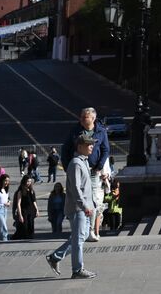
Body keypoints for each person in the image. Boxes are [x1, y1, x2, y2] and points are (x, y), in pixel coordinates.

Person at [46, 130, 99, 279]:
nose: (92, 147)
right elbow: (76, 188)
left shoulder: (83, 162)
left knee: (79, 238)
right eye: (89, 145)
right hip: (78, 209)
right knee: (78, 241)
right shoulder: (76, 164)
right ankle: (77, 270)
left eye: (92, 145)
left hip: (84, 208)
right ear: (80, 146)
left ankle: (55, 257)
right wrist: (84, 206)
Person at [61, 107, 110, 241]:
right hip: (78, 169)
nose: (81, 119)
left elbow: (106, 150)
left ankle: (89, 230)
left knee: (93, 201)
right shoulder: (75, 131)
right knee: (77, 196)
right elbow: (65, 150)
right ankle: (78, 228)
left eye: (84, 117)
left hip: (93, 171)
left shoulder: (100, 131)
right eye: (81, 116)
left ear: (93, 119)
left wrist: (99, 166)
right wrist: (67, 167)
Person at [13, 175, 38, 239]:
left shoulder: (31, 190)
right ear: (24, 181)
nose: (29, 183)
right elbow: (18, 203)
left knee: (31, 223)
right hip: (24, 210)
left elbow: (34, 201)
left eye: (30, 181)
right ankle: (24, 237)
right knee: (25, 225)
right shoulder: (20, 191)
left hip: (31, 210)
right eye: (27, 181)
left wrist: (37, 210)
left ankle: (30, 236)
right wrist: (20, 215)